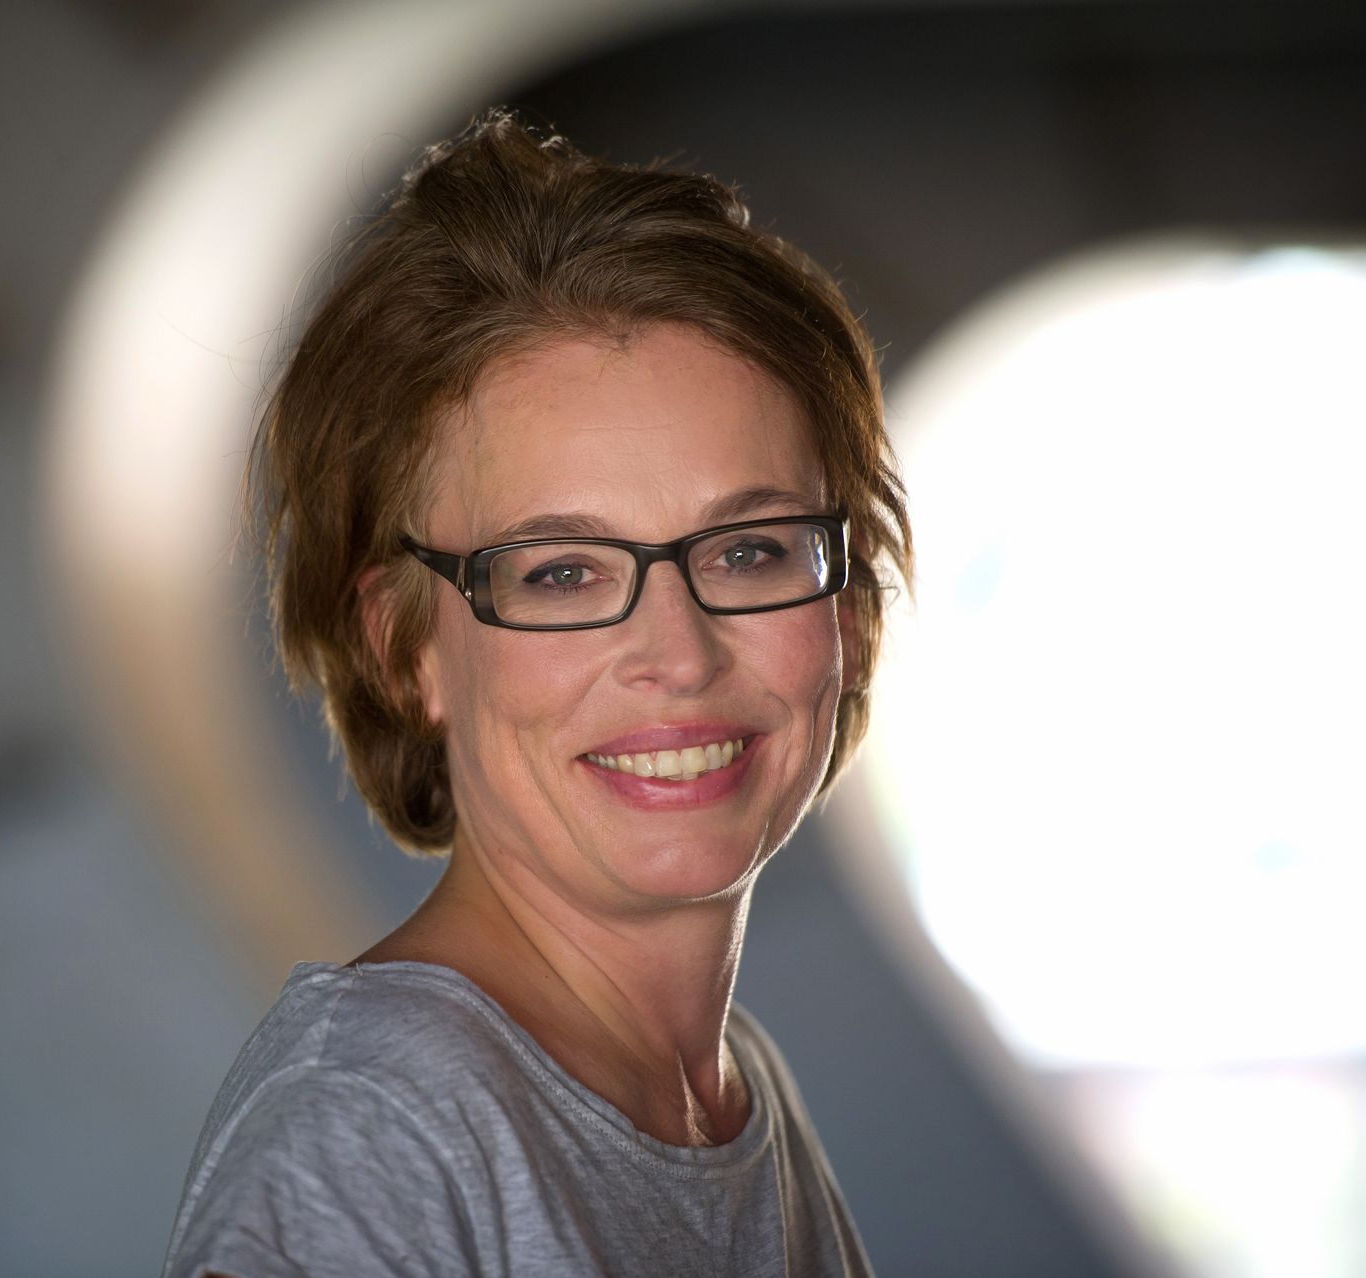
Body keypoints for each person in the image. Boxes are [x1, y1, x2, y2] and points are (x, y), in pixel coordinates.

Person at [161, 108, 911, 1277]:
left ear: (849, 614)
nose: (680, 655)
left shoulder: (734, 1093)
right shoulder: (373, 1137)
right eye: (561, 572)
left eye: (750, 551)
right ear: (405, 648)